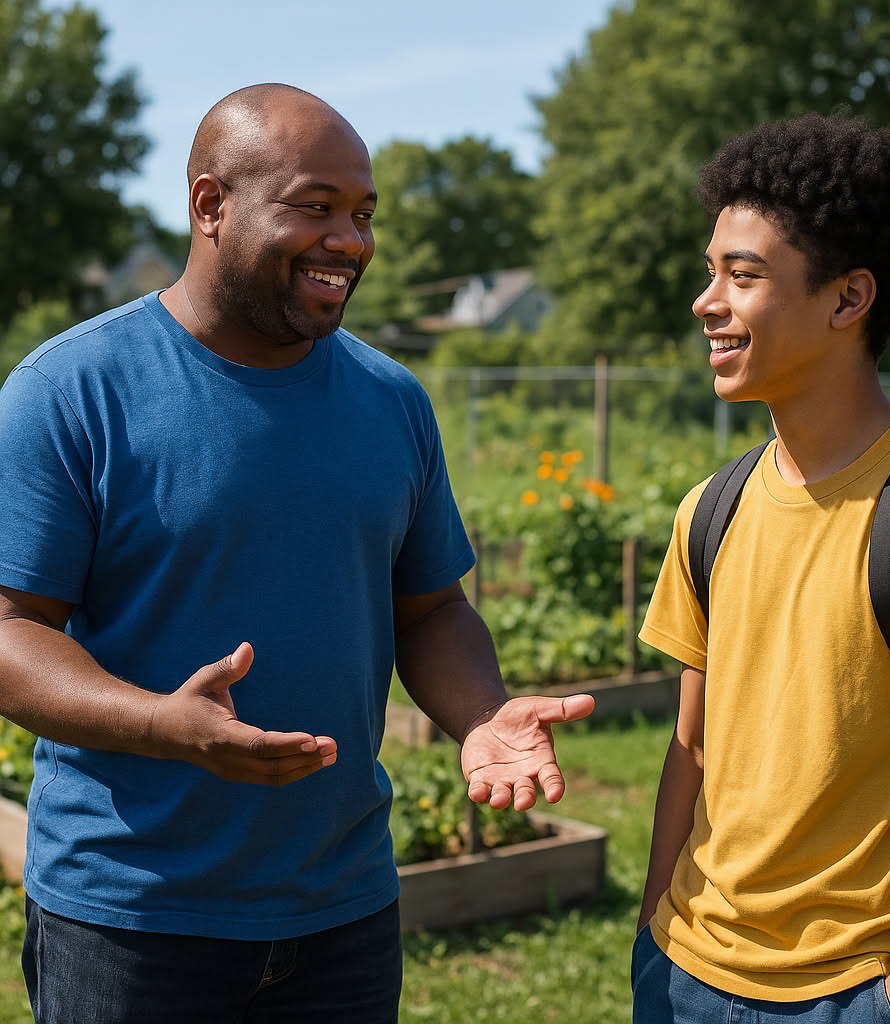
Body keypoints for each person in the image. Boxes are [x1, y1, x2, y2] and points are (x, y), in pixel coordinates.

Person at [0, 83, 594, 1024]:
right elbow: (10, 632)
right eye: (314, 207)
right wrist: (161, 723)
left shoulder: (392, 401)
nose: (349, 241)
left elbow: (431, 607)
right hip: (131, 919)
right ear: (210, 206)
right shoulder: (71, 391)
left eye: (362, 215)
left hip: (342, 913)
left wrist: (482, 715)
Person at [632, 113, 890, 1024]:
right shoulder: (710, 510)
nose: (707, 300)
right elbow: (689, 750)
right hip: (684, 978)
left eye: (744, 274)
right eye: (711, 269)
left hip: (854, 997)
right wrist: (655, 941)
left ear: (849, 301)